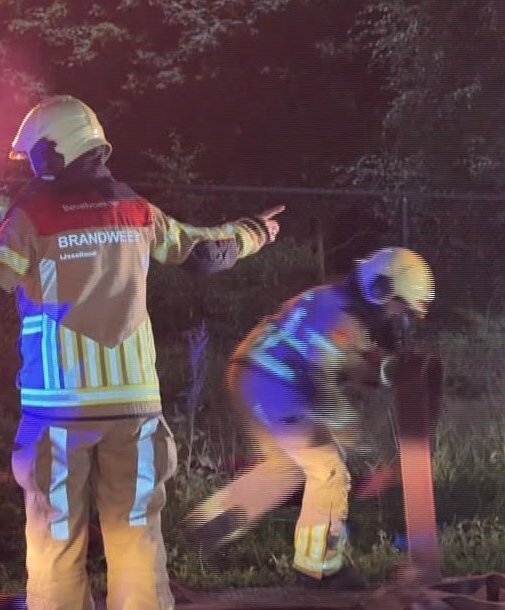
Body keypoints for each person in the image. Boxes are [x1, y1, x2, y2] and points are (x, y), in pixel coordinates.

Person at [0, 95, 282, 610]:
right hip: (135, 411)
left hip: (60, 410)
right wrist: (256, 231)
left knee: (57, 544)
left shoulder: (32, 216)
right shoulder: (136, 210)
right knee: (137, 541)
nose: (32, 166)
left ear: (55, 151)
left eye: (35, 154)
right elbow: (207, 251)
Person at [185, 246, 436, 590]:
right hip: (274, 381)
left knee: (288, 468)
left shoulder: (339, 305)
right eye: (401, 309)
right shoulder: (342, 318)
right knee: (328, 468)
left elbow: (343, 360)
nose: (401, 320)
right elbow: (323, 380)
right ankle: (320, 570)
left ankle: (212, 522)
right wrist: (351, 437)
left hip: (255, 374)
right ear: (381, 291)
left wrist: (386, 372)